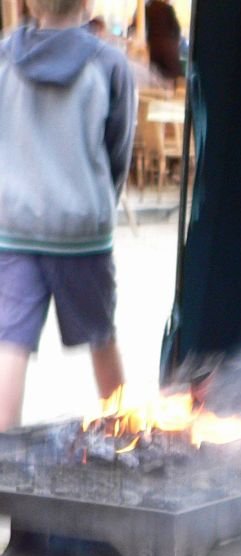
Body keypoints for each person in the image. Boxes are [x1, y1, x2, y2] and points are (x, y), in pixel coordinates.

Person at [0, 0, 135, 430]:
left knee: (10, 344)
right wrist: (100, 200)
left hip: (15, 227)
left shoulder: (3, 59)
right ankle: (121, 434)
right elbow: (118, 148)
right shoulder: (110, 64)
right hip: (82, 233)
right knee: (101, 337)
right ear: (89, 3)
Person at [143, 0, 180, 79]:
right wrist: (174, 44)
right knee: (171, 77)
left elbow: (136, 27)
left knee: (155, 77)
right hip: (169, 48)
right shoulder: (167, 8)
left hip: (154, 47)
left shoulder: (146, 9)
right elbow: (176, 29)